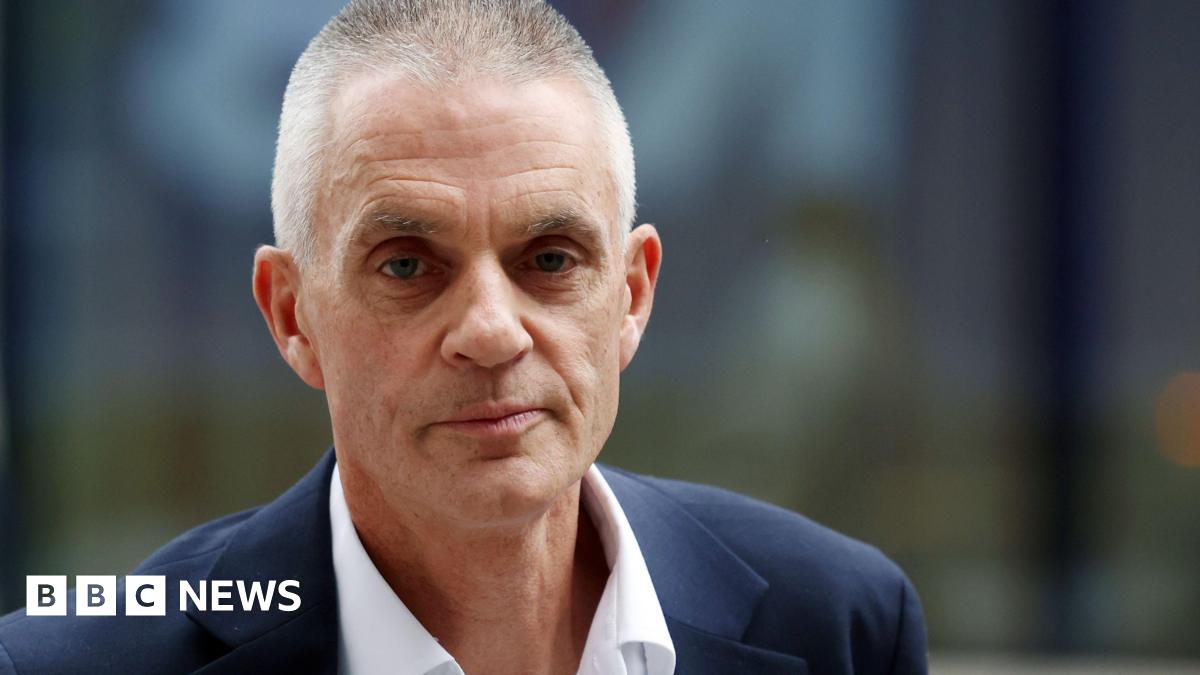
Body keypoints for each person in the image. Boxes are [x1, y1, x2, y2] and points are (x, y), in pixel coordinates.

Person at [0, 1, 927, 673]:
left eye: (551, 259)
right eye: (407, 265)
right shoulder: (80, 660)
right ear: (292, 314)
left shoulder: (840, 624)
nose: (489, 331)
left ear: (632, 295)